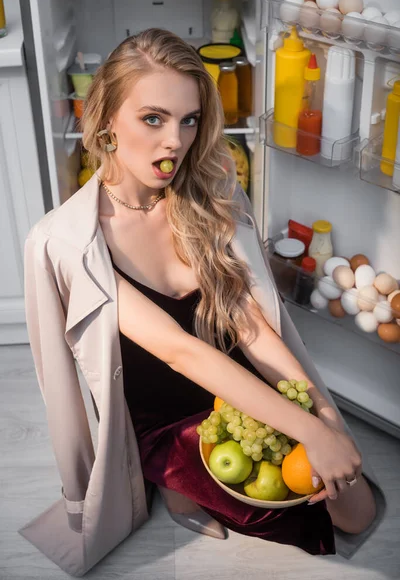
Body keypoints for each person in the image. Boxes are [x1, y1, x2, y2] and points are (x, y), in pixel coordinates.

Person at [22, 28, 377, 575]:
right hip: (170, 419)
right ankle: (168, 476)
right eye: (153, 118)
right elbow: (179, 351)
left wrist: (324, 416)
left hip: (239, 396)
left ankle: (198, 484)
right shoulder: (72, 241)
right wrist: (307, 431)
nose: (175, 142)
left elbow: (251, 325)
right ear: (108, 117)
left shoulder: (205, 191)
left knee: (357, 510)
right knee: (309, 518)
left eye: (189, 120)